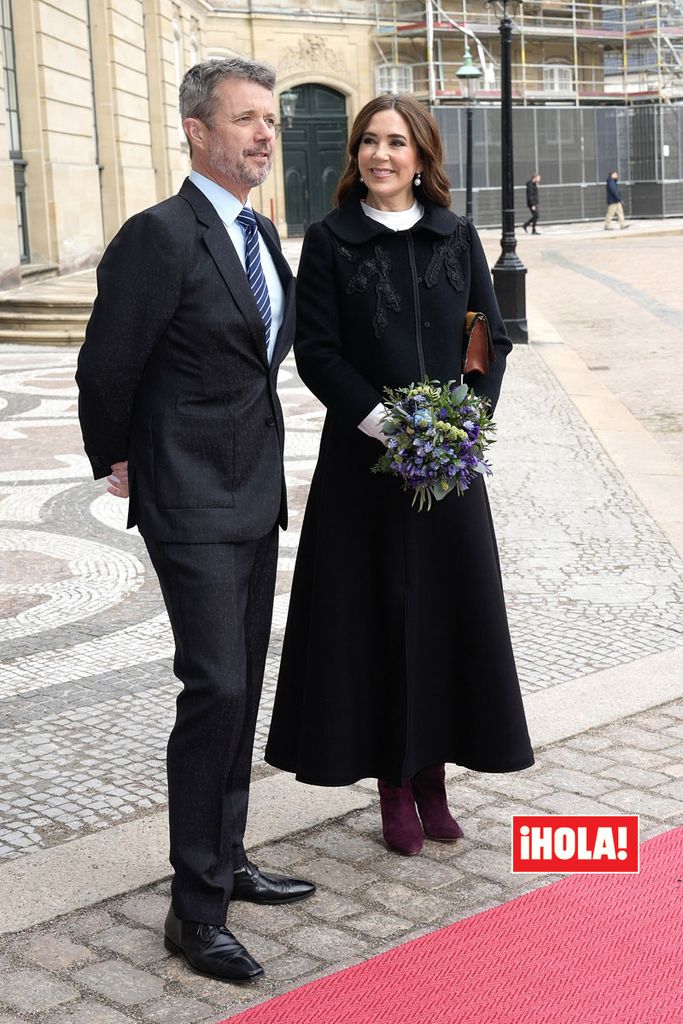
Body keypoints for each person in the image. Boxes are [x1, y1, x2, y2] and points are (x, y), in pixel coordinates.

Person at [76, 57, 314, 983]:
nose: (263, 135)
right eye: (246, 119)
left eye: (269, 120)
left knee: (241, 684)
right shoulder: (159, 236)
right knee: (214, 688)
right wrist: (117, 455)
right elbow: (108, 365)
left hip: (254, 494)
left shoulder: (256, 233)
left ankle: (228, 856)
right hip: (189, 498)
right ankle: (194, 909)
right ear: (197, 130)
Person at [265, 95, 534, 858]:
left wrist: (461, 426)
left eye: (396, 142)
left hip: (448, 472)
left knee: (446, 614)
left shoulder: (459, 236)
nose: (380, 155)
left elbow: (486, 340)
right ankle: (391, 780)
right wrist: (390, 428)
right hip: (364, 471)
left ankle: (433, 777)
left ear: (421, 154)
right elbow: (316, 352)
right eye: (368, 143)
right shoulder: (328, 241)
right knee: (376, 618)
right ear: (356, 156)